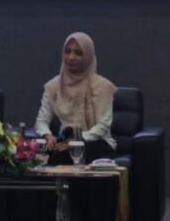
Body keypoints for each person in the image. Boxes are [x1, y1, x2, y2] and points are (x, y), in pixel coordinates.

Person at [35, 32, 117, 164]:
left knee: (66, 154)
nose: (71, 57)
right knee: (41, 153)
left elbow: (103, 126)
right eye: (67, 51)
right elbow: (41, 121)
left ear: (88, 56)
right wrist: (48, 135)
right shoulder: (53, 86)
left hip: (96, 142)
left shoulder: (102, 86)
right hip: (65, 141)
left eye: (78, 53)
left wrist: (76, 141)